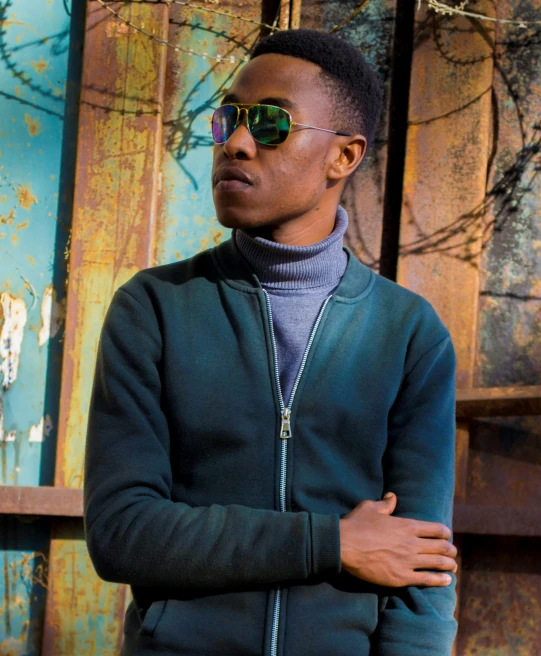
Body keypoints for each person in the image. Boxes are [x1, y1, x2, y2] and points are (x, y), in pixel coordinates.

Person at [83, 28, 459, 656]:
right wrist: (332, 542)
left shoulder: (408, 334)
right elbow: (122, 532)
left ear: (344, 156)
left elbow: (420, 569)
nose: (234, 142)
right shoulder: (154, 309)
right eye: (228, 118)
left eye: (270, 124)